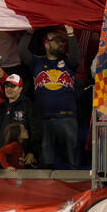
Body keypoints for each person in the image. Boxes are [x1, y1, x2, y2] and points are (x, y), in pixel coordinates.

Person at [30, 27, 79, 169]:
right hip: (43, 118)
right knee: (46, 162)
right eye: (57, 41)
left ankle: (73, 189)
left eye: (62, 41)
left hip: (67, 117)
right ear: (46, 44)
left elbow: (76, 56)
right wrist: (30, 31)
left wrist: (71, 34)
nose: (61, 44)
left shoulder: (69, 62)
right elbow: (22, 51)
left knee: (71, 161)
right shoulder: (36, 63)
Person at [0, 73, 40, 168]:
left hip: (22, 158)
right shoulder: (0, 108)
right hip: (1, 158)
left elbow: (36, 132)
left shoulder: (29, 106)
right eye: (7, 86)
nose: (9, 89)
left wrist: (32, 152)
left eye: (13, 86)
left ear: (21, 88)